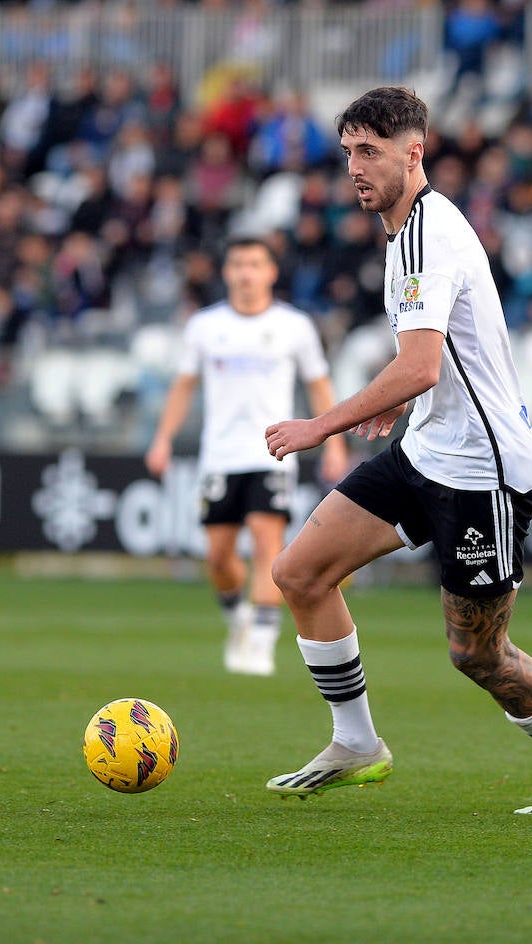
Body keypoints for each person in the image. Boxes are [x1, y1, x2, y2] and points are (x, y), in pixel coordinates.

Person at [261, 86, 532, 813]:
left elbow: (421, 365)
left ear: (413, 152)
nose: (355, 168)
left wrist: (318, 425)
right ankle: (358, 743)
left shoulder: (428, 233)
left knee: (477, 654)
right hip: (428, 450)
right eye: (348, 153)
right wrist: (397, 398)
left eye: (370, 152)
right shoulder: (403, 230)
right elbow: (435, 361)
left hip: (484, 473)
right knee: (299, 574)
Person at [145, 237, 349, 676]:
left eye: (255, 264)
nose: (245, 272)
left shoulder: (294, 325)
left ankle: (261, 639)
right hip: (219, 456)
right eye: (237, 263)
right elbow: (183, 385)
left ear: (271, 272)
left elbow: (318, 383)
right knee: (218, 557)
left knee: (265, 540)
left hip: (273, 451)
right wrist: (163, 438)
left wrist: (334, 442)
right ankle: (238, 617)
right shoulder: (204, 326)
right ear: (226, 272)